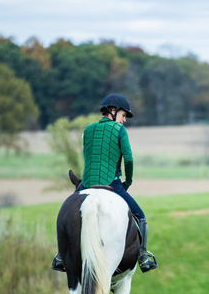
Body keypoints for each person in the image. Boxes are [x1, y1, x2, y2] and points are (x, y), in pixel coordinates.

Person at [52, 94, 158, 273]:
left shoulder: (88, 130)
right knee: (140, 216)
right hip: (112, 183)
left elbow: (90, 157)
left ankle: (61, 256)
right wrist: (127, 181)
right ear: (113, 111)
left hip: (86, 184)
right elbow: (129, 159)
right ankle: (143, 257)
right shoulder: (119, 130)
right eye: (123, 115)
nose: (124, 120)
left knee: (66, 214)